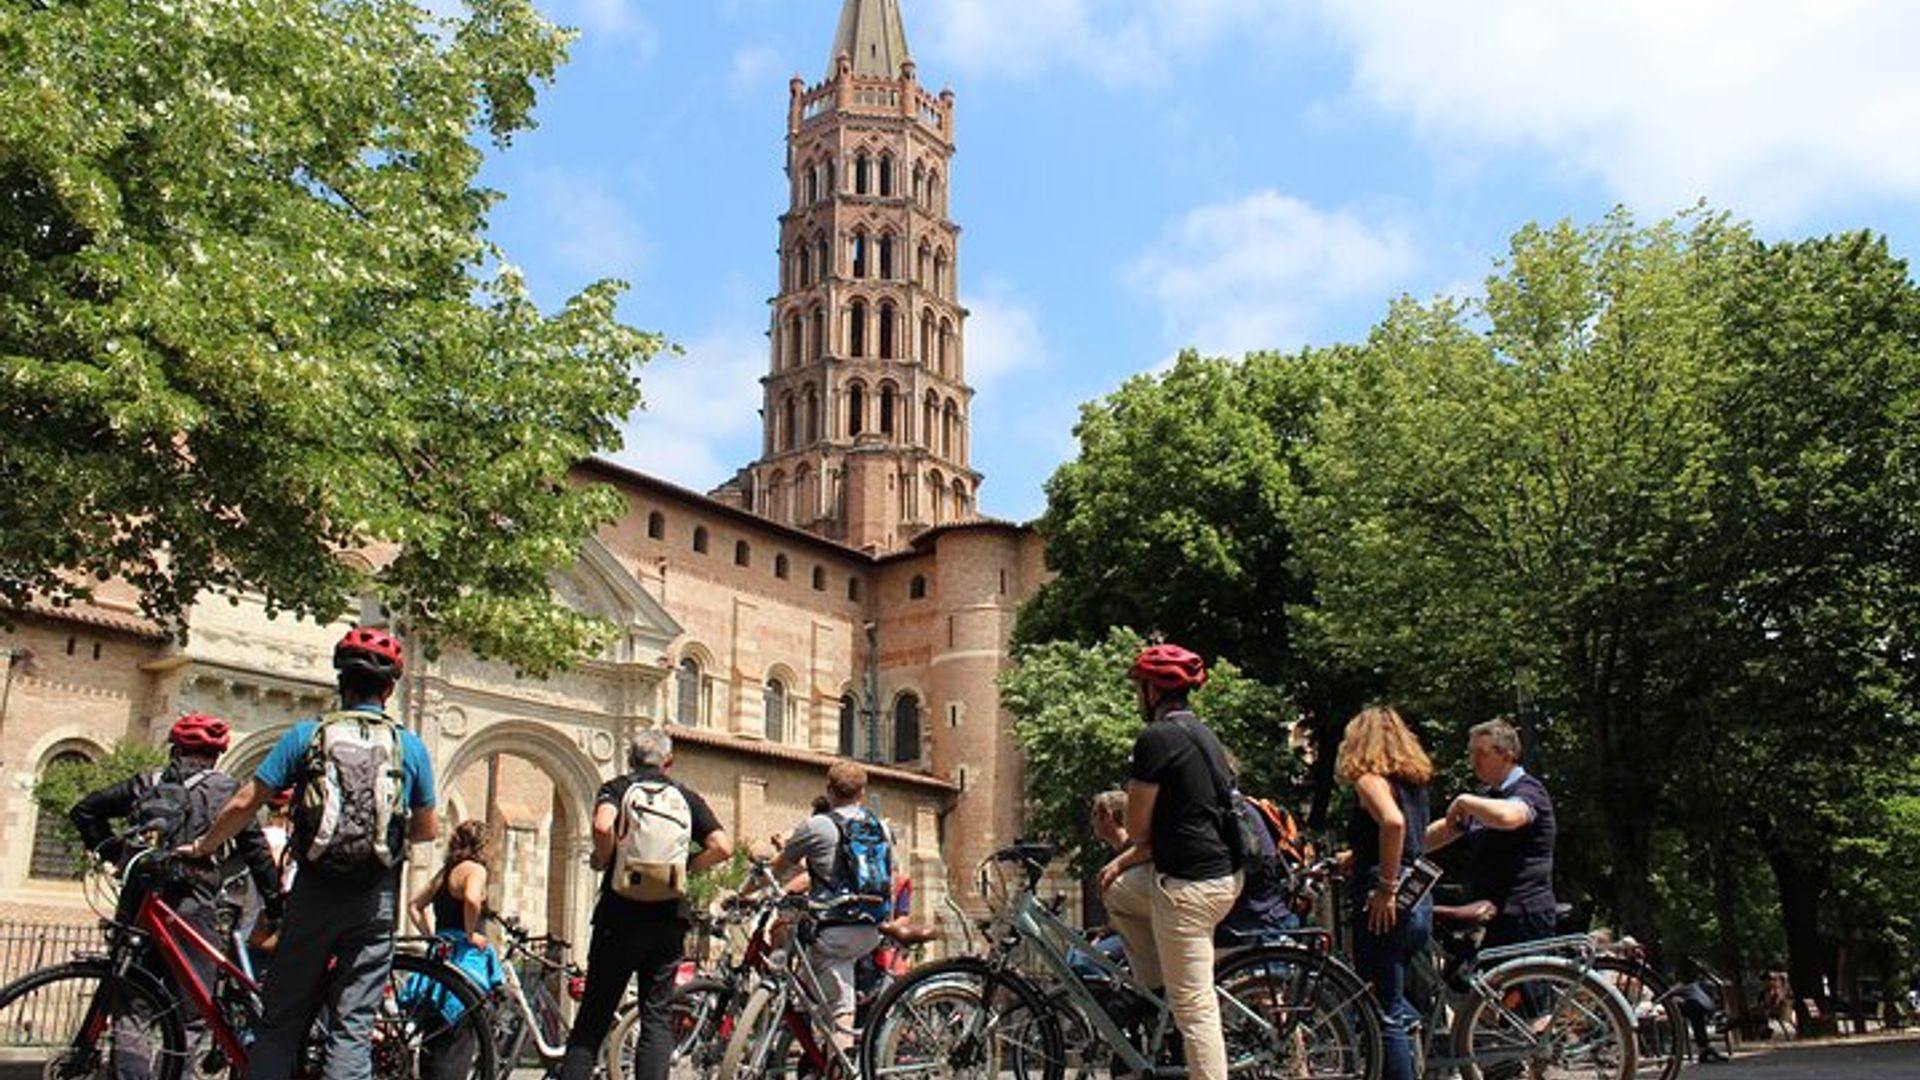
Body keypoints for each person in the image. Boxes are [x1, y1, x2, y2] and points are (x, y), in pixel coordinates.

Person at [185, 626, 438, 1080]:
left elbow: (246, 801)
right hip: (374, 898)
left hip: (314, 891)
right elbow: (427, 830)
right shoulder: (409, 746)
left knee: (282, 1019)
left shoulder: (308, 735)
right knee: (353, 1025)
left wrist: (203, 846)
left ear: (341, 682)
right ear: (389, 690)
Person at [72, 713, 283, 1080]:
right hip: (192, 906)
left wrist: (117, 854)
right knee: (193, 1012)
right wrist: (276, 903)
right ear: (215, 756)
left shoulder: (147, 782)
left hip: (139, 903)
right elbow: (257, 853)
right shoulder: (225, 791)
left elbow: (85, 811)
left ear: (175, 750)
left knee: (132, 1007)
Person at [1096, 643, 1245, 1080]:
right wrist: (1124, 864)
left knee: (1195, 1008)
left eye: (1138, 688)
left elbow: (1138, 827)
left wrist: (1129, 846)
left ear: (1154, 691)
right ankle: (1155, 990)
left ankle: (1172, 1000)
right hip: (1223, 875)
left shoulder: (1156, 738)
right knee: (1118, 892)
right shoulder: (1204, 735)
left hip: (1188, 888)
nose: (1136, 697)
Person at [559, 729, 731, 1080]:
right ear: (669, 762)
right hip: (669, 919)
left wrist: (606, 858)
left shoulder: (618, 788)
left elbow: (602, 826)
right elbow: (723, 847)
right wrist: (685, 867)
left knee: (594, 1017)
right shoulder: (685, 796)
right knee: (656, 1018)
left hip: (619, 916)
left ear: (631, 758)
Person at [1338, 705, 1434, 1080]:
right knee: (1397, 1001)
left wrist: (1385, 888)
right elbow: (1409, 836)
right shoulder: (1414, 784)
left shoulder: (1369, 779)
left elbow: (1392, 824)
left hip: (1386, 903)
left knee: (1384, 1010)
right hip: (1419, 898)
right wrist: (1356, 855)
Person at [770, 761, 895, 1049]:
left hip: (834, 931)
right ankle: (815, 1053)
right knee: (813, 985)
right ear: (862, 792)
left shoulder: (817, 826)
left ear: (829, 790)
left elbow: (778, 867)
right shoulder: (881, 829)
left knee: (840, 1010)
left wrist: (744, 892)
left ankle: (840, 1062)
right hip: (872, 928)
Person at [1423, 719, 1557, 948]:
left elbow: (1508, 817)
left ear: (1508, 755)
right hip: (1492, 914)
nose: (1473, 762)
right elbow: (1446, 830)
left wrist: (1465, 800)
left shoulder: (1529, 791)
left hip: (1522, 915)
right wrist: (1393, 849)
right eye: (1471, 753)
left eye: (1482, 754)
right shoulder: (1487, 798)